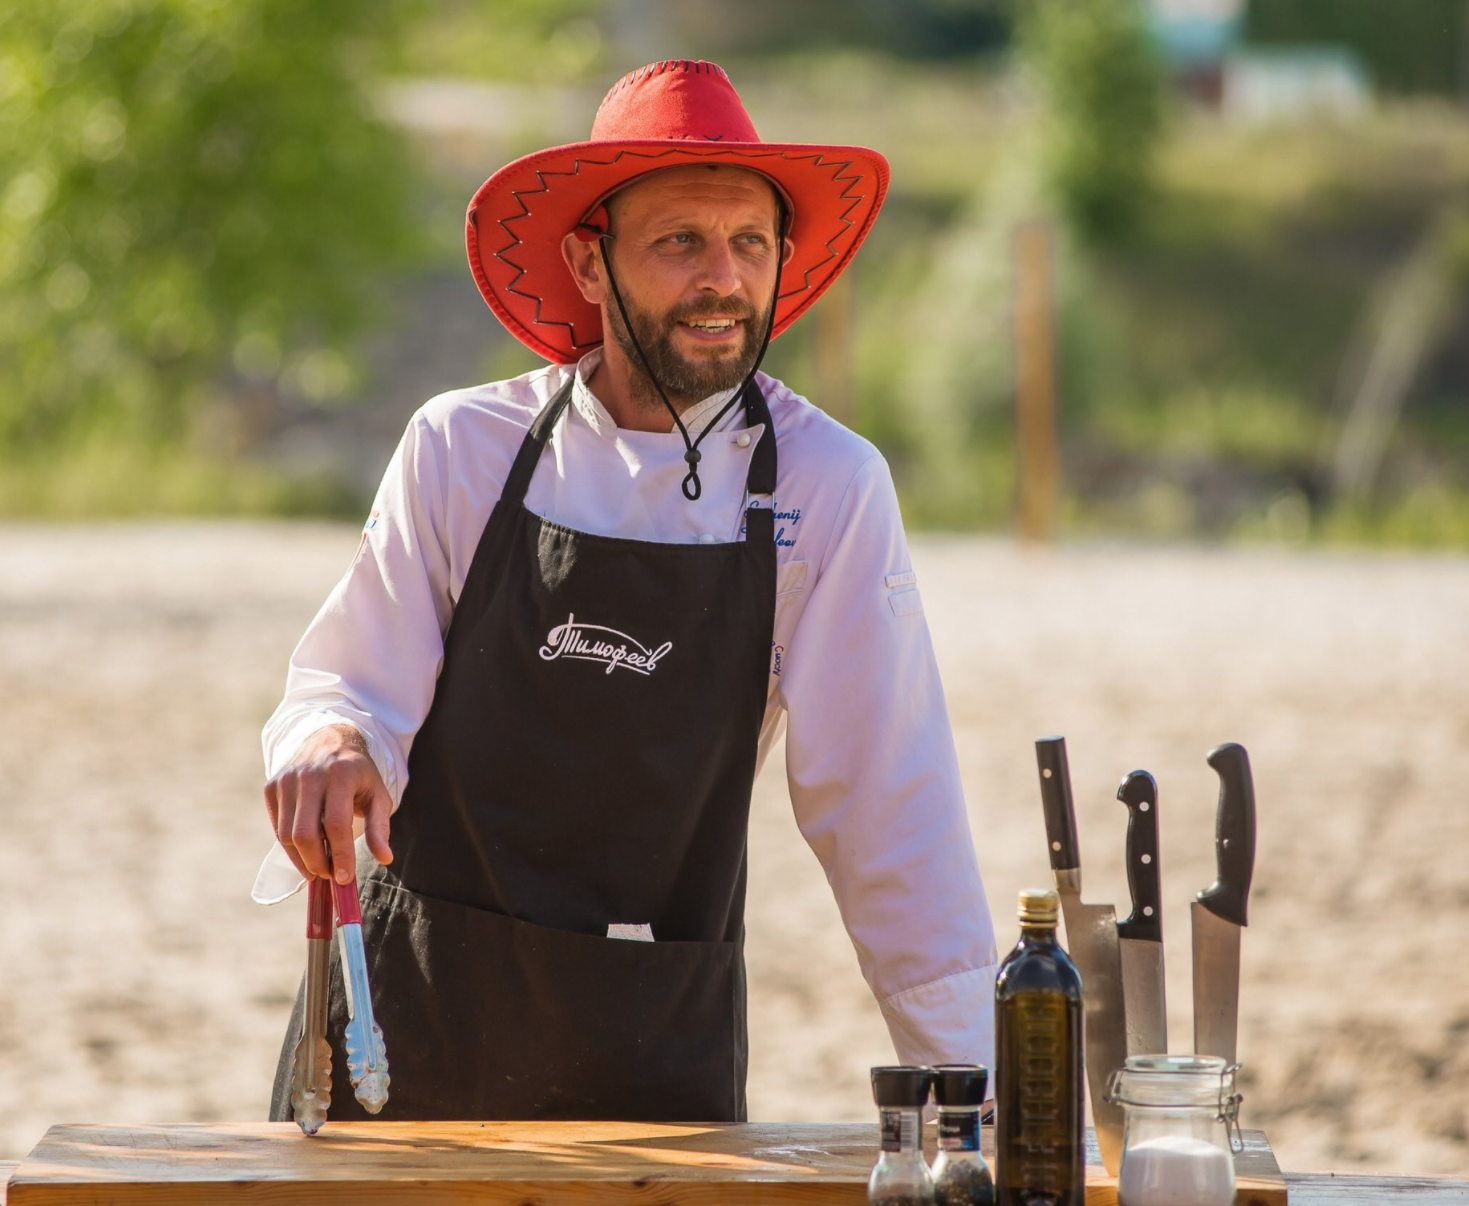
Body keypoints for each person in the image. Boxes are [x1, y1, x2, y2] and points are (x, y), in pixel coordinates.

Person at [257, 58, 997, 1123]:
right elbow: (345, 689)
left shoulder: (831, 487)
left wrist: (991, 1106)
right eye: (678, 242)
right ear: (587, 263)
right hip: (406, 1025)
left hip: (654, 1044)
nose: (722, 279)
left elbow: (889, 812)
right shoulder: (461, 449)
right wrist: (326, 742)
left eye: (749, 243)